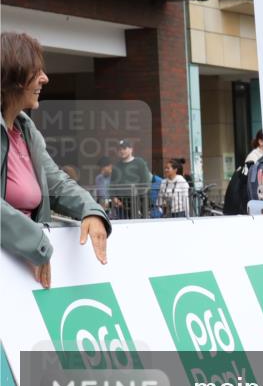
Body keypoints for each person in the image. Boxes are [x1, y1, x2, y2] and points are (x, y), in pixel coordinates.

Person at [1, 31, 110, 289]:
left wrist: (91, 210)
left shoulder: (26, 130)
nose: (45, 79)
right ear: (13, 77)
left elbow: (58, 183)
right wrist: (35, 242)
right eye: (36, 71)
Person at [111, 138, 151, 218]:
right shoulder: (116, 166)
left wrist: (139, 198)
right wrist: (114, 198)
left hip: (138, 201)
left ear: (131, 149)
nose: (122, 151)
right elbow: (112, 185)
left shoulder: (140, 162)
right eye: (120, 149)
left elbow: (146, 182)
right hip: (121, 203)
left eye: (124, 148)